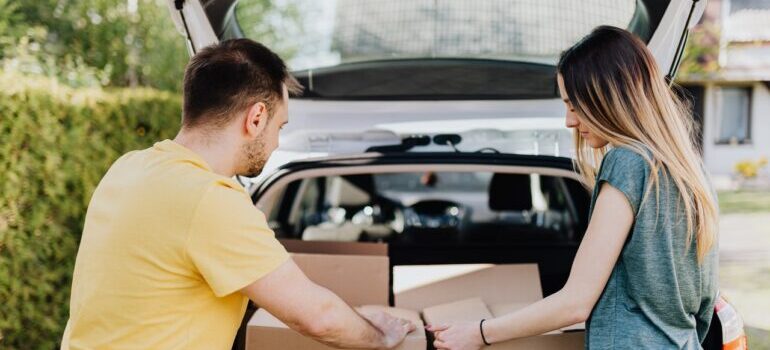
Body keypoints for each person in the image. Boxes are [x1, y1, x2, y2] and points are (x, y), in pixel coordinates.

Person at [61, 38, 414, 349]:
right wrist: (381, 335)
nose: (276, 142)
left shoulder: (128, 167)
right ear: (256, 117)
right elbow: (317, 318)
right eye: (280, 125)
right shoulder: (210, 199)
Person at [427, 26, 719, 350]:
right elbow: (703, 306)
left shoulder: (627, 163)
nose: (569, 121)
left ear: (608, 96)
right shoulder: (690, 175)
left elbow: (576, 302)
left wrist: (479, 333)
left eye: (574, 105)